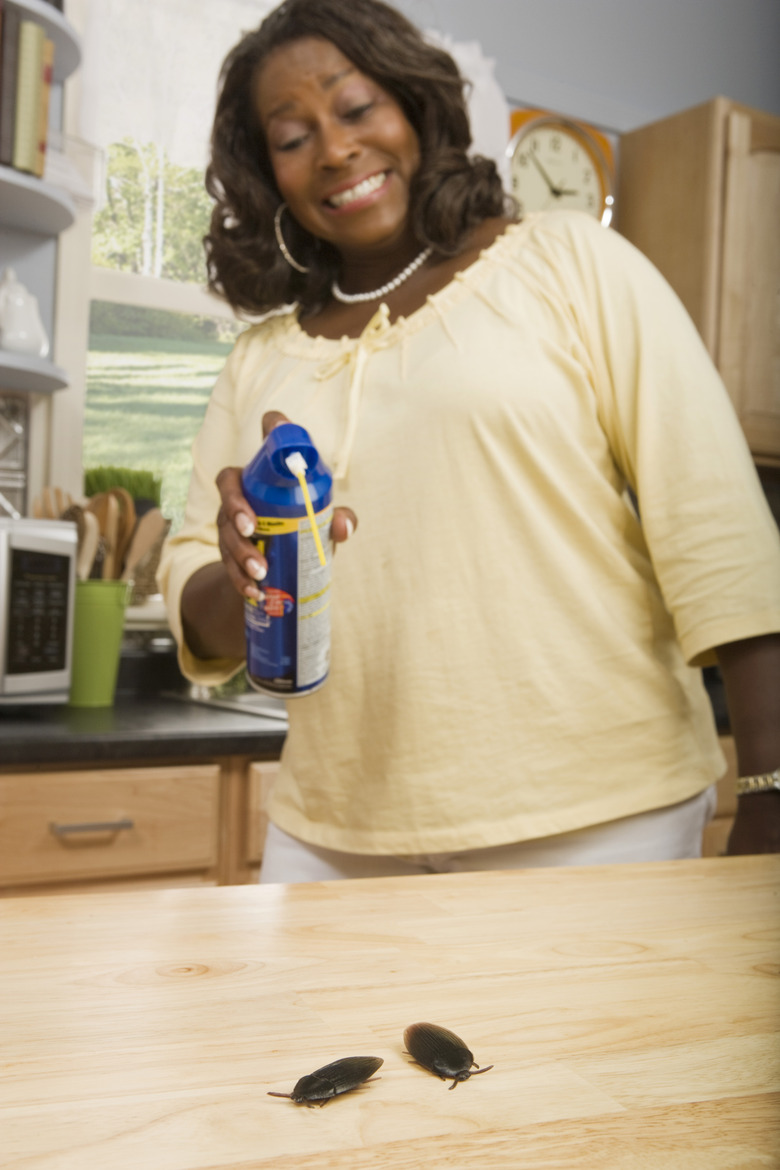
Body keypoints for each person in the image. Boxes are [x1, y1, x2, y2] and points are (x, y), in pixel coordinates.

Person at [159, 0, 780, 882]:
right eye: (292, 137)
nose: (334, 150)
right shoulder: (261, 361)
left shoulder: (571, 262)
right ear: (270, 177)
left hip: (598, 819)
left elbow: (718, 527)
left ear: (414, 107)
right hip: (330, 832)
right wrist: (243, 567)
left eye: (355, 107)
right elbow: (200, 603)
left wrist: (770, 792)